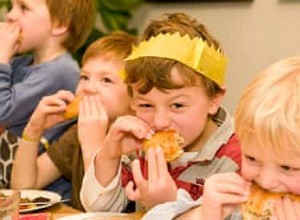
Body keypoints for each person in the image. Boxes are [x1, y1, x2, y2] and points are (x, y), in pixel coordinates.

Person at [80, 13, 241, 218]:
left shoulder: (240, 158)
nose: (160, 122)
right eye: (146, 105)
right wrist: (109, 155)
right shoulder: (140, 145)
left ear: (214, 100)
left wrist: (169, 206)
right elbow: (99, 208)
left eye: (177, 105)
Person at [11, 31, 137, 210]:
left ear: (136, 97)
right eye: (84, 77)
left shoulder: (135, 141)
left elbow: (103, 212)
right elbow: (24, 187)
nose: (89, 88)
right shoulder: (77, 131)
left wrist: (93, 144)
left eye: (106, 80)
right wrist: (33, 129)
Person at [177, 55, 300, 220]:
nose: (266, 181)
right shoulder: (236, 202)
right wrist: (203, 214)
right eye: (252, 158)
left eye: (287, 168)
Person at [0, 0, 96, 189]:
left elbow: (2, 112)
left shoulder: (60, 71)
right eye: (12, 6)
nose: (10, 15)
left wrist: (1, 58)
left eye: (24, 8)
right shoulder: (21, 64)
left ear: (59, 24)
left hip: (43, 197)